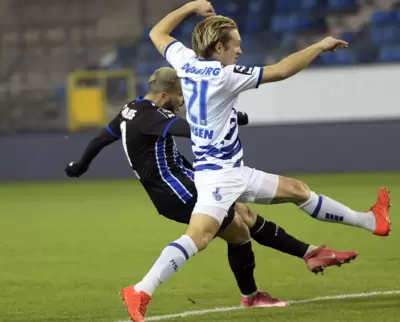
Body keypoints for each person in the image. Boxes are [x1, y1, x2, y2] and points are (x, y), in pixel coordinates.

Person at [121, 1, 391, 320]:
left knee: (297, 190)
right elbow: (282, 70)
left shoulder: (185, 62)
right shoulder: (225, 76)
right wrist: (319, 45)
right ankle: (141, 290)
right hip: (220, 177)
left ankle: (371, 221)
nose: (239, 50)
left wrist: (191, 6)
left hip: (228, 171)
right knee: (199, 237)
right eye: (235, 44)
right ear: (218, 46)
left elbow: (158, 32)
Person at [65, 67, 358, 322]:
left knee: (242, 220)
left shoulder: (131, 109)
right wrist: (231, 118)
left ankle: (293, 266)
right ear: (165, 95)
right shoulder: (154, 116)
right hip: (176, 189)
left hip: (185, 182)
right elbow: (193, 129)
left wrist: (80, 166)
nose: (182, 102)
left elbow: (100, 138)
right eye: (180, 96)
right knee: (222, 230)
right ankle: (142, 290)